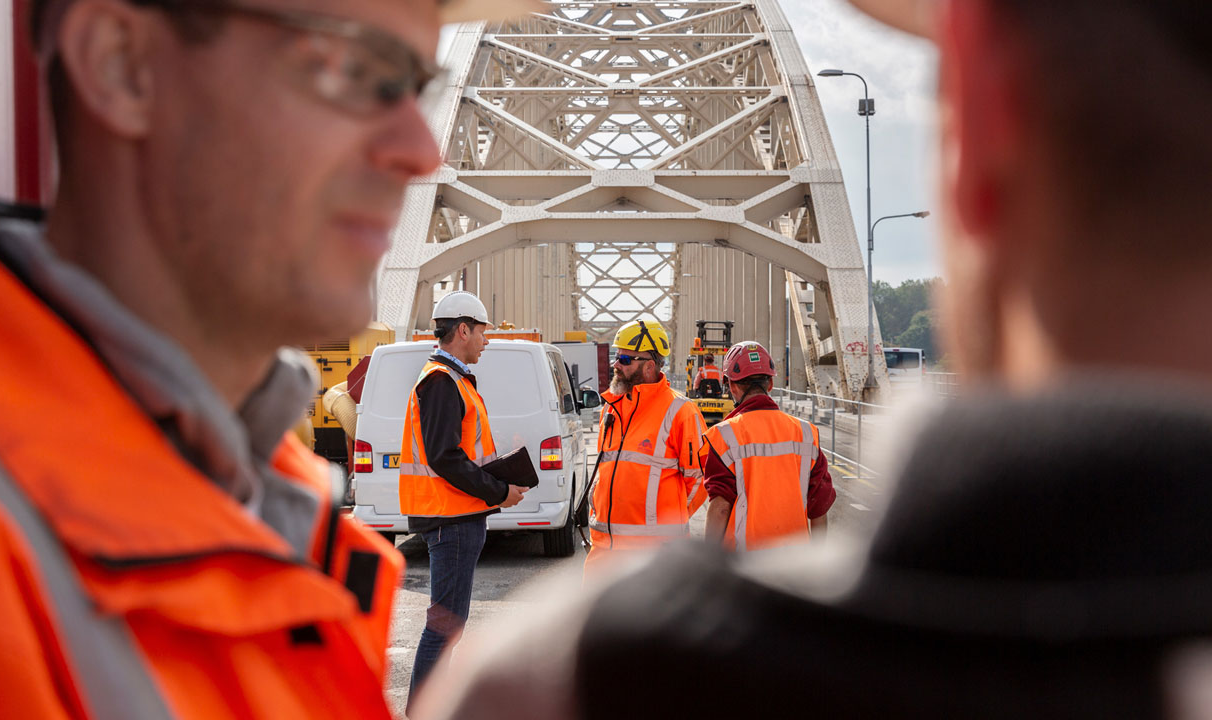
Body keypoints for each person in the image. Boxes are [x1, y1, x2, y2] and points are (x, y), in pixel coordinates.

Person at [410, 0, 1212, 717]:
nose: (623, 370)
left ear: (979, 109)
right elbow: (815, 500)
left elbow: (723, 498)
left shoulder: (566, 676)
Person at [0, 0, 535, 718]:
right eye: (355, 69)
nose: (421, 152)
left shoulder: (284, 507)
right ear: (123, 67)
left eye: (419, 88)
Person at [399, 290, 527, 706]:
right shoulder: (441, 381)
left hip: (453, 515)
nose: (486, 341)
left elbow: (453, 453)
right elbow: (444, 458)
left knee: (446, 623)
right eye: (483, 332)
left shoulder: (450, 380)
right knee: (445, 625)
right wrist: (499, 491)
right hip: (449, 519)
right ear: (463, 329)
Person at [584, 320, 706, 575]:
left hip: (655, 558)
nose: (616, 364)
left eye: (625, 359)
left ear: (649, 366)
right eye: (617, 357)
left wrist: (664, 523)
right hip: (603, 552)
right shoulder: (611, 408)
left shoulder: (681, 412)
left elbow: (699, 481)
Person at [703, 341, 834, 550]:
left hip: (743, 565)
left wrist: (708, 561)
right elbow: (819, 509)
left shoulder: (724, 436)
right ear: (770, 384)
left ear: (731, 385)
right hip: (793, 565)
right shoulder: (806, 433)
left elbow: (720, 508)